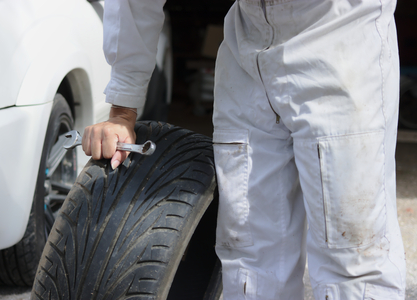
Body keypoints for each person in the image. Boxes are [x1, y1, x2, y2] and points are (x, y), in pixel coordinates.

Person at [82, 0, 406, 299]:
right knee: (250, 262)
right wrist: (122, 112)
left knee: (352, 257)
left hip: (338, 30)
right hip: (247, 42)